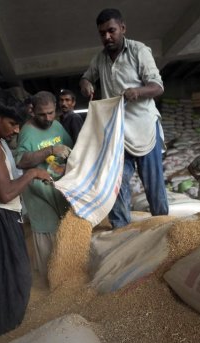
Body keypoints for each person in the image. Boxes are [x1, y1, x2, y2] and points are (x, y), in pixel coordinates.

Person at [0, 90, 52, 339]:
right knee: (13, 279)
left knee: (7, 276)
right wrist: (32, 174)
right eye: (12, 124)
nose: (16, 130)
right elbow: (4, 194)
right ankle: (5, 336)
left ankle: (8, 326)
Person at [80, 8, 169, 229]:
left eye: (111, 31)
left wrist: (137, 92)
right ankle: (121, 229)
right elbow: (85, 78)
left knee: (153, 183)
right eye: (102, 33)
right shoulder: (99, 59)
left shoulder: (139, 51)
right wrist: (86, 84)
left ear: (122, 28)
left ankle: (164, 226)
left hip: (143, 127)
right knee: (115, 183)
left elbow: (158, 87)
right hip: (117, 132)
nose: (107, 37)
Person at [15, 91, 73, 282]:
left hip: (58, 188)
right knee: (48, 233)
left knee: (65, 230)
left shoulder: (56, 125)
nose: (47, 118)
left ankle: (67, 276)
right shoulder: (26, 132)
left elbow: (70, 148)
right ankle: (51, 281)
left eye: (50, 113)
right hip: (39, 192)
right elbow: (21, 161)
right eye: (42, 114)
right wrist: (50, 149)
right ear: (33, 111)